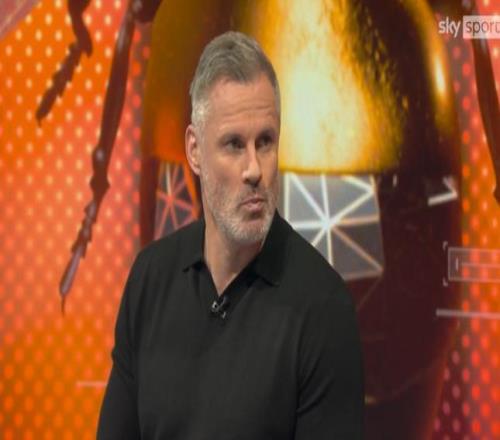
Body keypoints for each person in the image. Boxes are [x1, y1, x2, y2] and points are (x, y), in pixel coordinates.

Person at [97, 31, 364, 439]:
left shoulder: (323, 309)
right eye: (234, 145)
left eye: (265, 142)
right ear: (194, 150)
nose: (254, 169)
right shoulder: (150, 278)